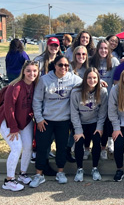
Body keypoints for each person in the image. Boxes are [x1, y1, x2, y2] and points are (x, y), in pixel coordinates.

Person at [30, 56, 82, 188]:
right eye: (60, 65)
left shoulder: (73, 79)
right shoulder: (44, 80)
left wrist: (101, 83)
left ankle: (60, 172)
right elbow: (37, 100)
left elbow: (87, 83)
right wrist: (39, 119)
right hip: (46, 121)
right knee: (42, 148)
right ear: (55, 65)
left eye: (66, 65)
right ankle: (38, 175)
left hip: (63, 121)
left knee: (61, 148)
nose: (63, 68)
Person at [0, 60, 39, 191]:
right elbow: (8, 108)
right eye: (28, 70)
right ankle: (8, 181)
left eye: (34, 71)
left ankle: (22, 174)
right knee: (17, 147)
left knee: (28, 147)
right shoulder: (15, 86)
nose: (31, 73)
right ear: (23, 71)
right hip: (8, 121)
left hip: (25, 121)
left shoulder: (35, 85)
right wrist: (13, 127)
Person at [70, 67, 108, 182]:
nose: (92, 80)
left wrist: (99, 127)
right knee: (79, 141)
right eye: (89, 78)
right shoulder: (76, 92)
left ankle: (95, 168)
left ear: (98, 78)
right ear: (85, 78)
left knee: (97, 140)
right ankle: (79, 169)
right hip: (80, 122)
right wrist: (78, 130)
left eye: (95, 78)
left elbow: (102, 112)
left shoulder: (102, 91)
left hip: (95, 121)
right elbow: (74, 112)